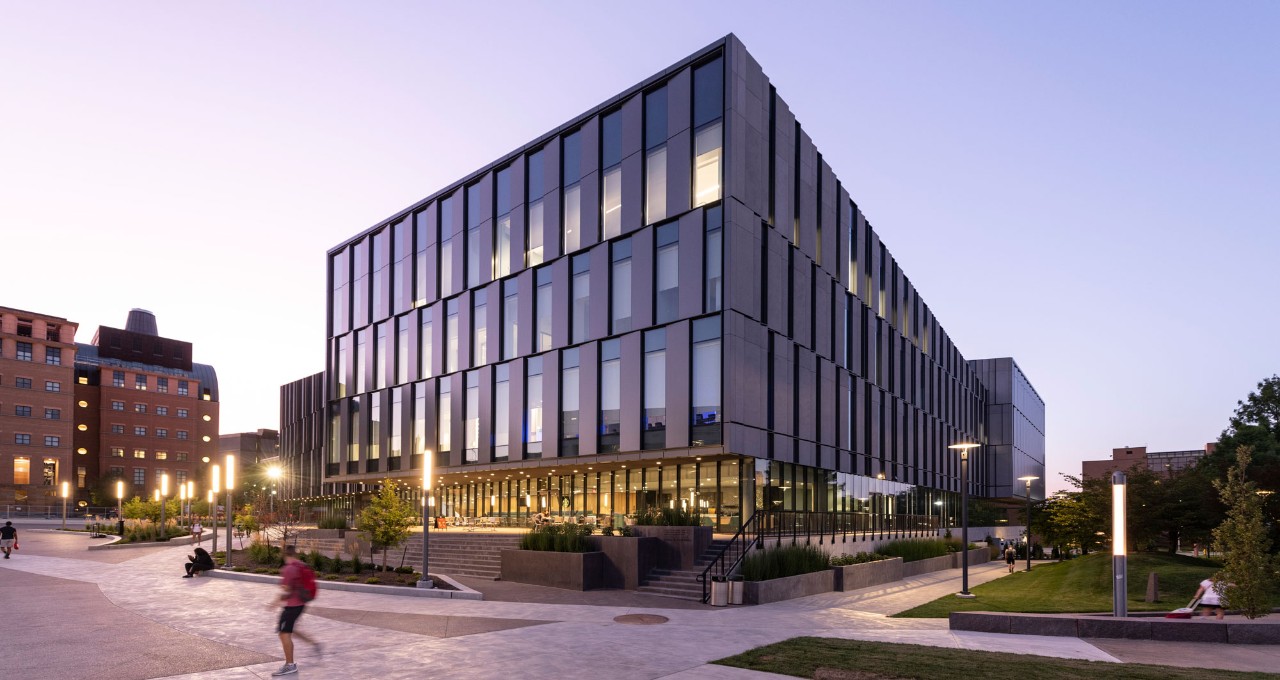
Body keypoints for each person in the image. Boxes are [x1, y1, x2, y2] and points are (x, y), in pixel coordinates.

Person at [272, 545, 320, 676]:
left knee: (284, 633)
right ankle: (312, 643)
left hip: (292, 606)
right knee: (288, 631)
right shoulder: (300, 565)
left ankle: (290, 665)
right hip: (300, 604)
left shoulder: (288, 569)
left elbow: (287, 590)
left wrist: (274, 602)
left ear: (285, 555)